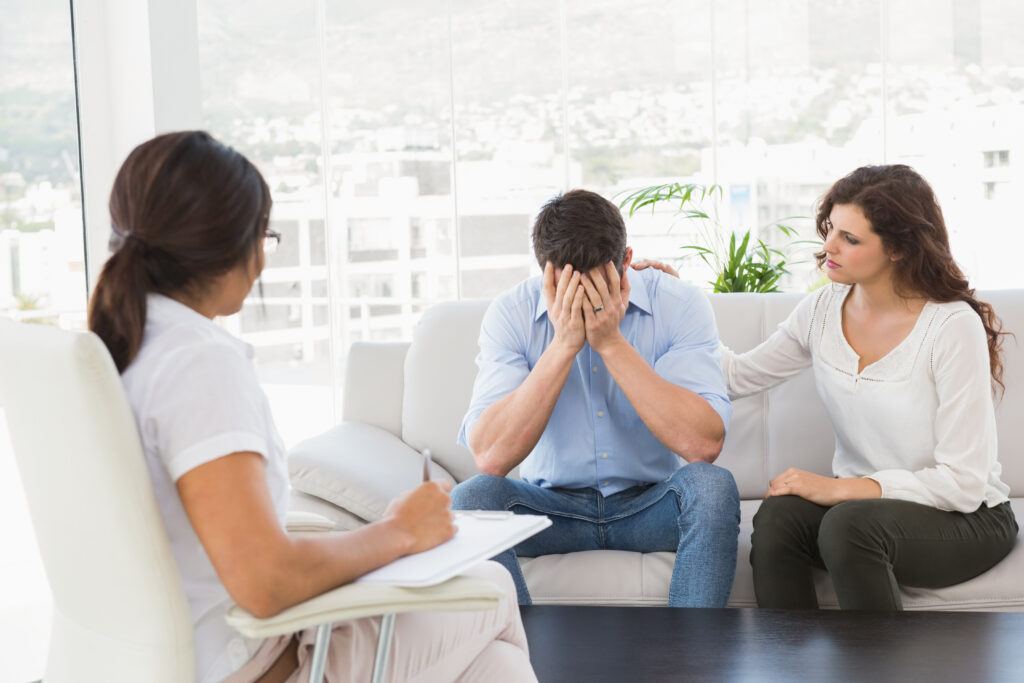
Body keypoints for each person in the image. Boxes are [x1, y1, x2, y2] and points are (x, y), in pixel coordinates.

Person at [88, 131, 536, 683]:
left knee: (492, 664)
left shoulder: (124, 346)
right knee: (491, 590)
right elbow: (265, 580)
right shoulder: (198, 365)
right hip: (262, 665)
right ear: (235, 245)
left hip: (161, 659)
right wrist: (399, 531)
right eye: (266, 236)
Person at [639, 164, 1018, 611]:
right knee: (779, 516)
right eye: (830, 230)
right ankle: (790, 666)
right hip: (863, 516)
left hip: (967, 521)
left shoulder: (952, 326)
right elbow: (736, 376)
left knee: (847, 526)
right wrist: (680, 303)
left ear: (897, 248)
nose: (827, 249)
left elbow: (963, 484)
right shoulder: (822, 309)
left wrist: (841, 489)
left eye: (849, 239)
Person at [451, 188, 740, 607]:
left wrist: (611, 344)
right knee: (471, 497)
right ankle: (521, 663)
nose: (584, 303)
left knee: (713, 488)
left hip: (649, 504)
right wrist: (563, 344)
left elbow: (703, 444)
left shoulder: (678, 304)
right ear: (546, 275)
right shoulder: (512, 314)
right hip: (549, 512)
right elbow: (491, 457)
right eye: (569, 287)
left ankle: (690, 661)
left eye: (598, 285)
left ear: (626, 262)